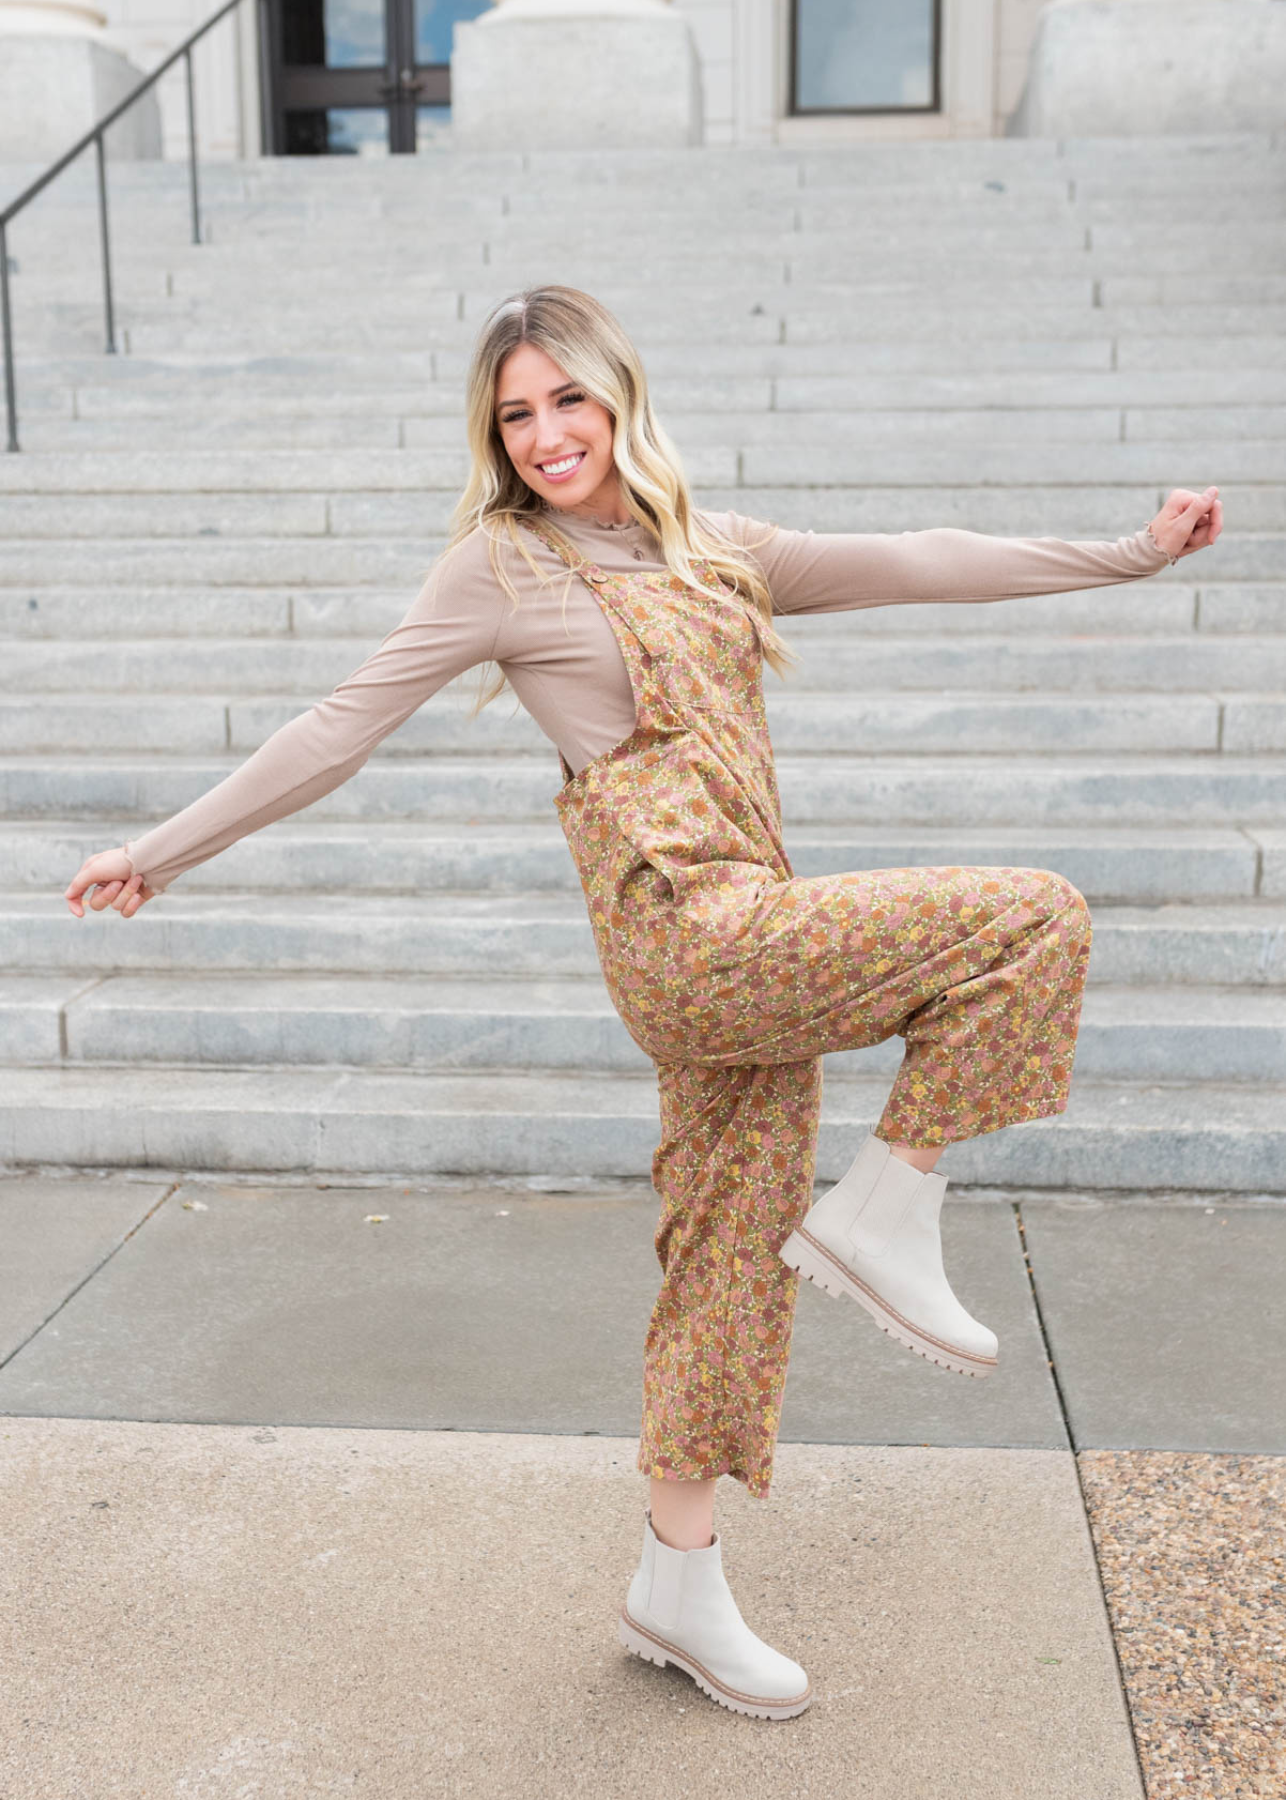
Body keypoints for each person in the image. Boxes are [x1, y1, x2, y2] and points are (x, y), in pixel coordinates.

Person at [63, 285, 1222, 1723]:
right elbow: (337, 725)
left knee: (724, 1257)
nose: (546, 434)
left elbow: (921, 557)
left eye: (565, 399)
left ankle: (676, 1588)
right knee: (1031, 916)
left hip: (758, 922)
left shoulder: (717, 548)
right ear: (492, 438)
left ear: (617, 395)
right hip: (686, 933)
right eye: (515, 414)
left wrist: (1128, 553)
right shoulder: (501, 567)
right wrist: (158, 854)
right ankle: (885, 1203)